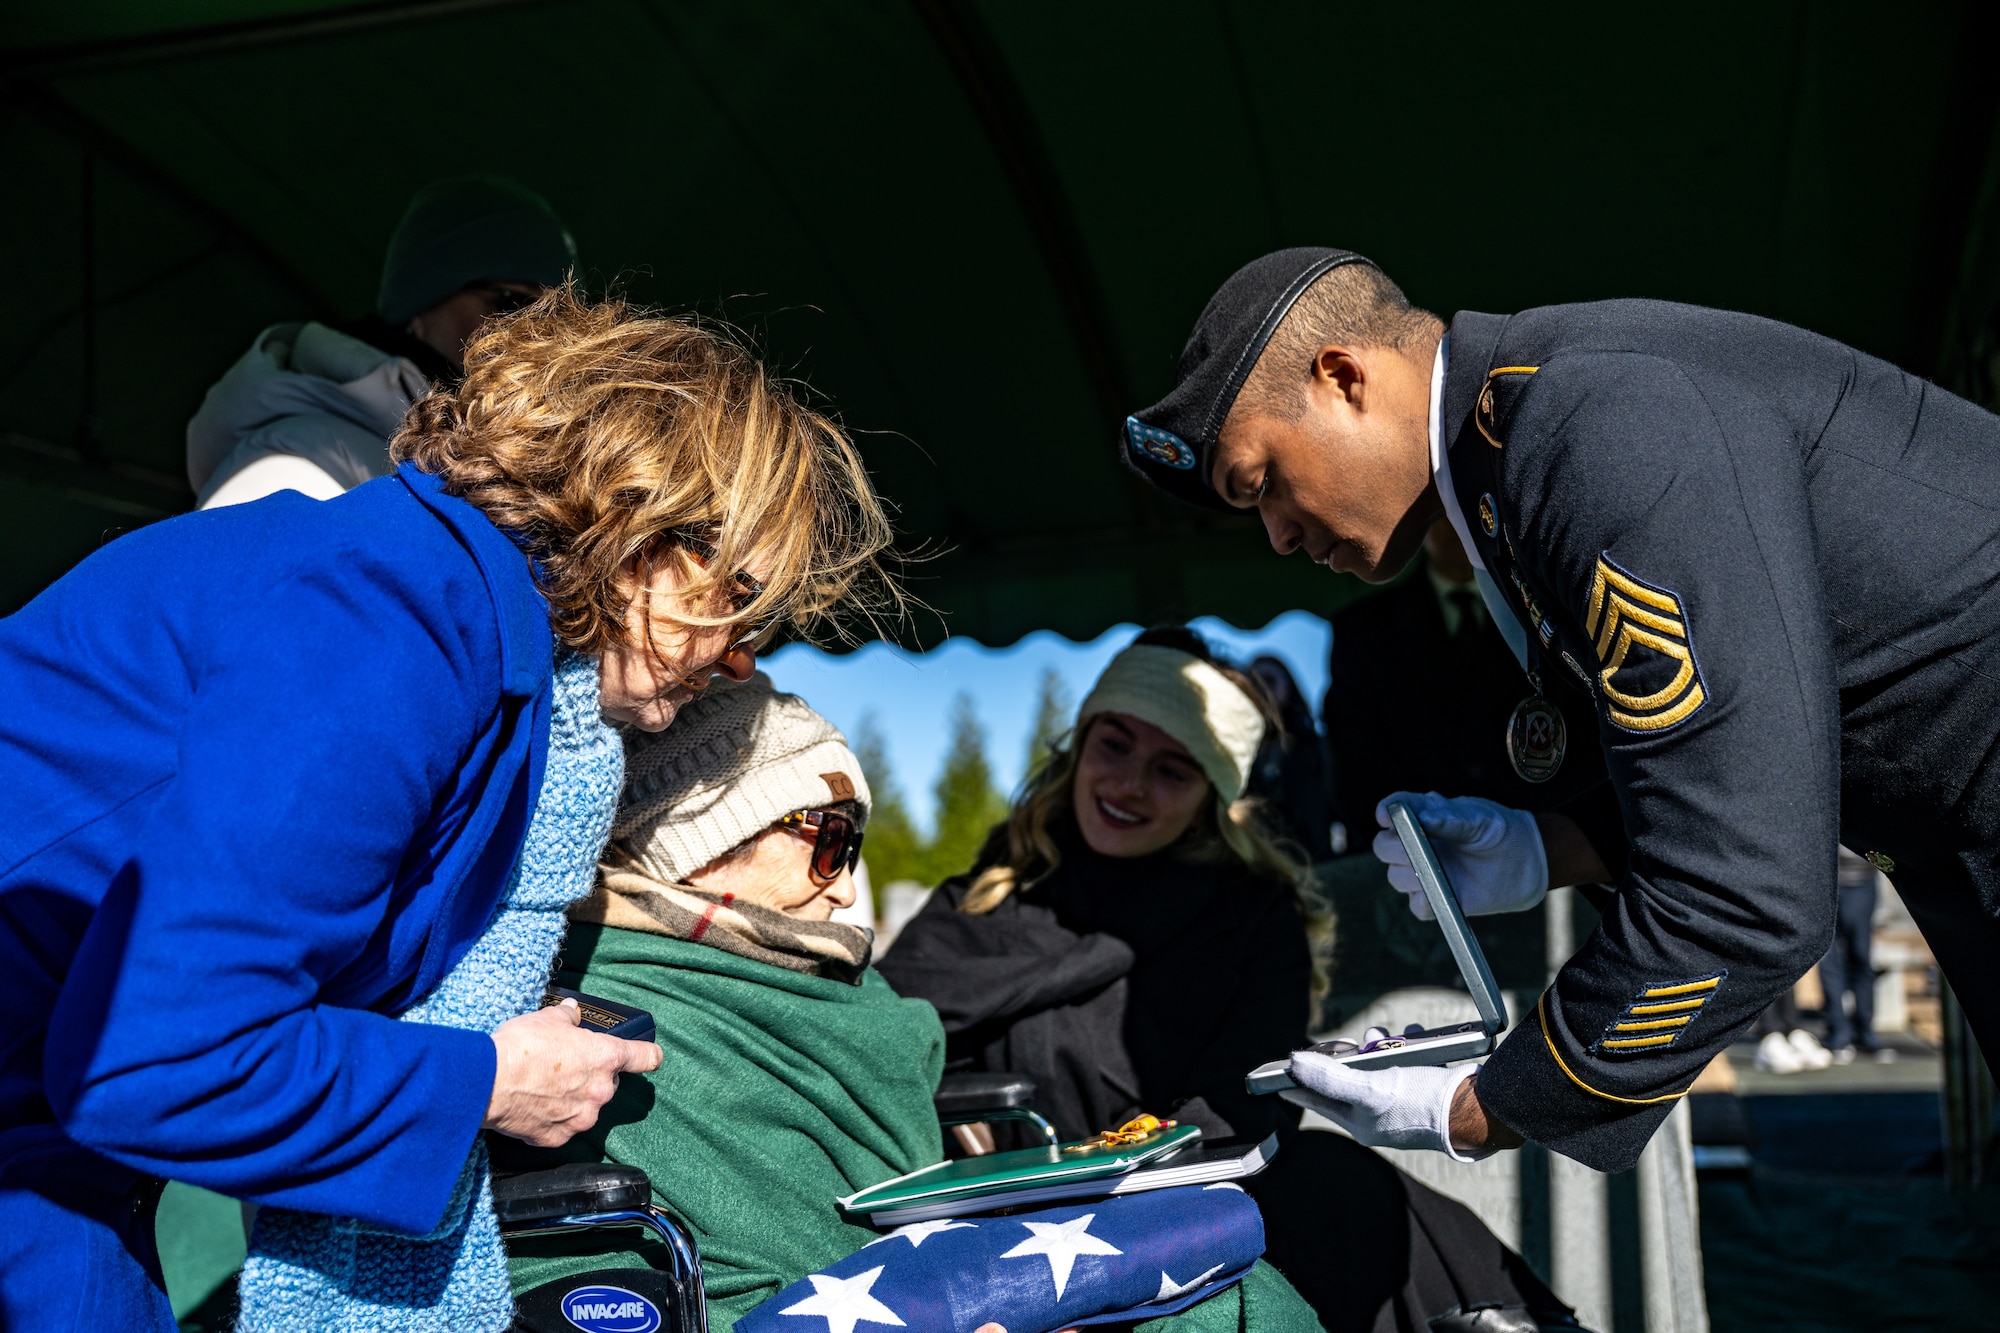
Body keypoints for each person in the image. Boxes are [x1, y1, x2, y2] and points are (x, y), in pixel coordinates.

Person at [0, 287, 895, 1332]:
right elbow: (156, 1057)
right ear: (642, 519)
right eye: (740, 601)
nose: (738, 656)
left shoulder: (471, 638)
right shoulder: (396, 622)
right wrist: (483, 1082)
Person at [1115, 245, 2000, 1173]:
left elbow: (1745, 889)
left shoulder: (1588, 428)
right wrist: (1557, 845)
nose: (1279, 534)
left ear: (1341, 379)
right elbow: (1766, 746)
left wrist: (1476, 1107)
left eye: (1263, 485)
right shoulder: (1519, 446)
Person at [502, 671, 1322, 1332]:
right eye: (830, 839)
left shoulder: (821, 979)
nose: (849, 883)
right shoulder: (585, 1018)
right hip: (840, 1291)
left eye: (854, 843)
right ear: (707, 834)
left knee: (1265, 1272)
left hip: (966, 1244)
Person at [879, 630, 1582, 1333]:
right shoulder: (987, 900)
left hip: (1184, 1198)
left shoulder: (1250, 913)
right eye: (1114, 744)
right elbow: (882, 1036)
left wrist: (1129, 1171)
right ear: (1079, 746)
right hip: (1008, 1217)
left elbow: (1246, 1097)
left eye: (1172, 770)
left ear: (1213, 793)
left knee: (1331, 1184)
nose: (1128, 784)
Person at [186, 175, 575, 509]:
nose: (533, 328)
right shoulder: (299, 457)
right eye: (511, 301)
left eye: (556, 314)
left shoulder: (494, 470)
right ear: (423, 301)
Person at [1324, 516, 1606, 837]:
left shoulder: (1546, 614)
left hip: (1543, 841)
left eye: (1462, 511)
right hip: (1419, 847)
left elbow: (1584, 735)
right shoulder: (1362, 632)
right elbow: (1356, 764)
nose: (1456, 525)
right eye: (1442, 513)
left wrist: (1546, 841)